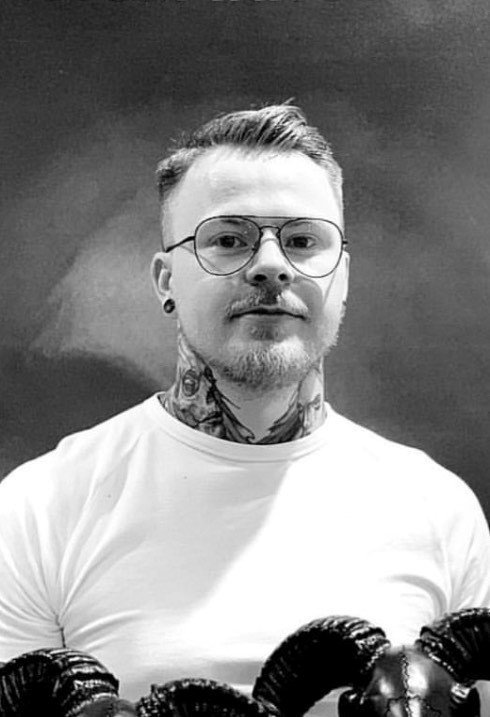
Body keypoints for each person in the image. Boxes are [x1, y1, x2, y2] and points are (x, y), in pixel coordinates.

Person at [0, 104, 489, 716]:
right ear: (165, 280)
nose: (271, 266)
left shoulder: (439, 512)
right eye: (228, 241)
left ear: (342, 278)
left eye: (304, 241)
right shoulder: (40, 510)